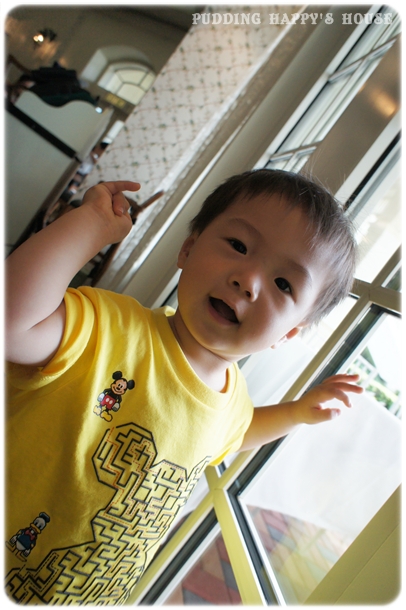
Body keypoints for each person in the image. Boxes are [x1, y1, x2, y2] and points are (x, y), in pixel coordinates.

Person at [5, 169, 363, 605]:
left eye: (283, 284)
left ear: (289, 333)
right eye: (239, 246)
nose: (248, 280)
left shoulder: (231, 401)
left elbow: (237, 433)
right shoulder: (108, 327)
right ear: (188, 248)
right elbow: (10, 324)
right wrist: (88, 227)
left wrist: (296, 413)